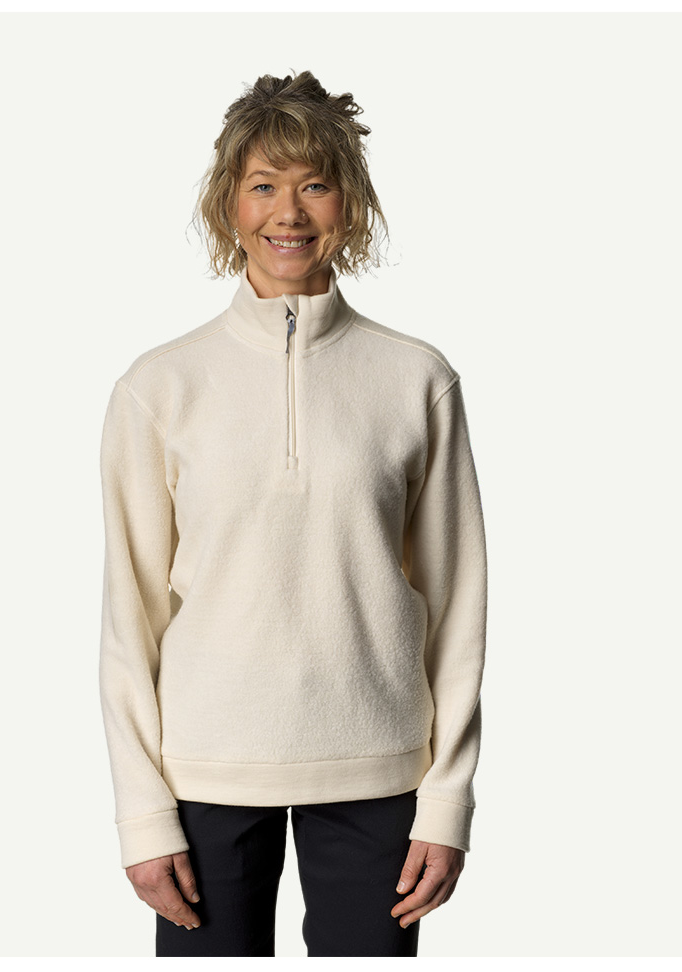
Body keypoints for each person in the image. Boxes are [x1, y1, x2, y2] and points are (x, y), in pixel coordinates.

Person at [98, 70, 488, 958]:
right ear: (227, 204)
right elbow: (130, 615)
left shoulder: (417, 379)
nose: (289, 212)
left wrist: (447, 798)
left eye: (315, 184)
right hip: (204, 772)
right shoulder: (159, 385)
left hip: (379, 769)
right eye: (263, 185)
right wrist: (141, 811)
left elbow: (459, 605)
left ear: (349, 203)